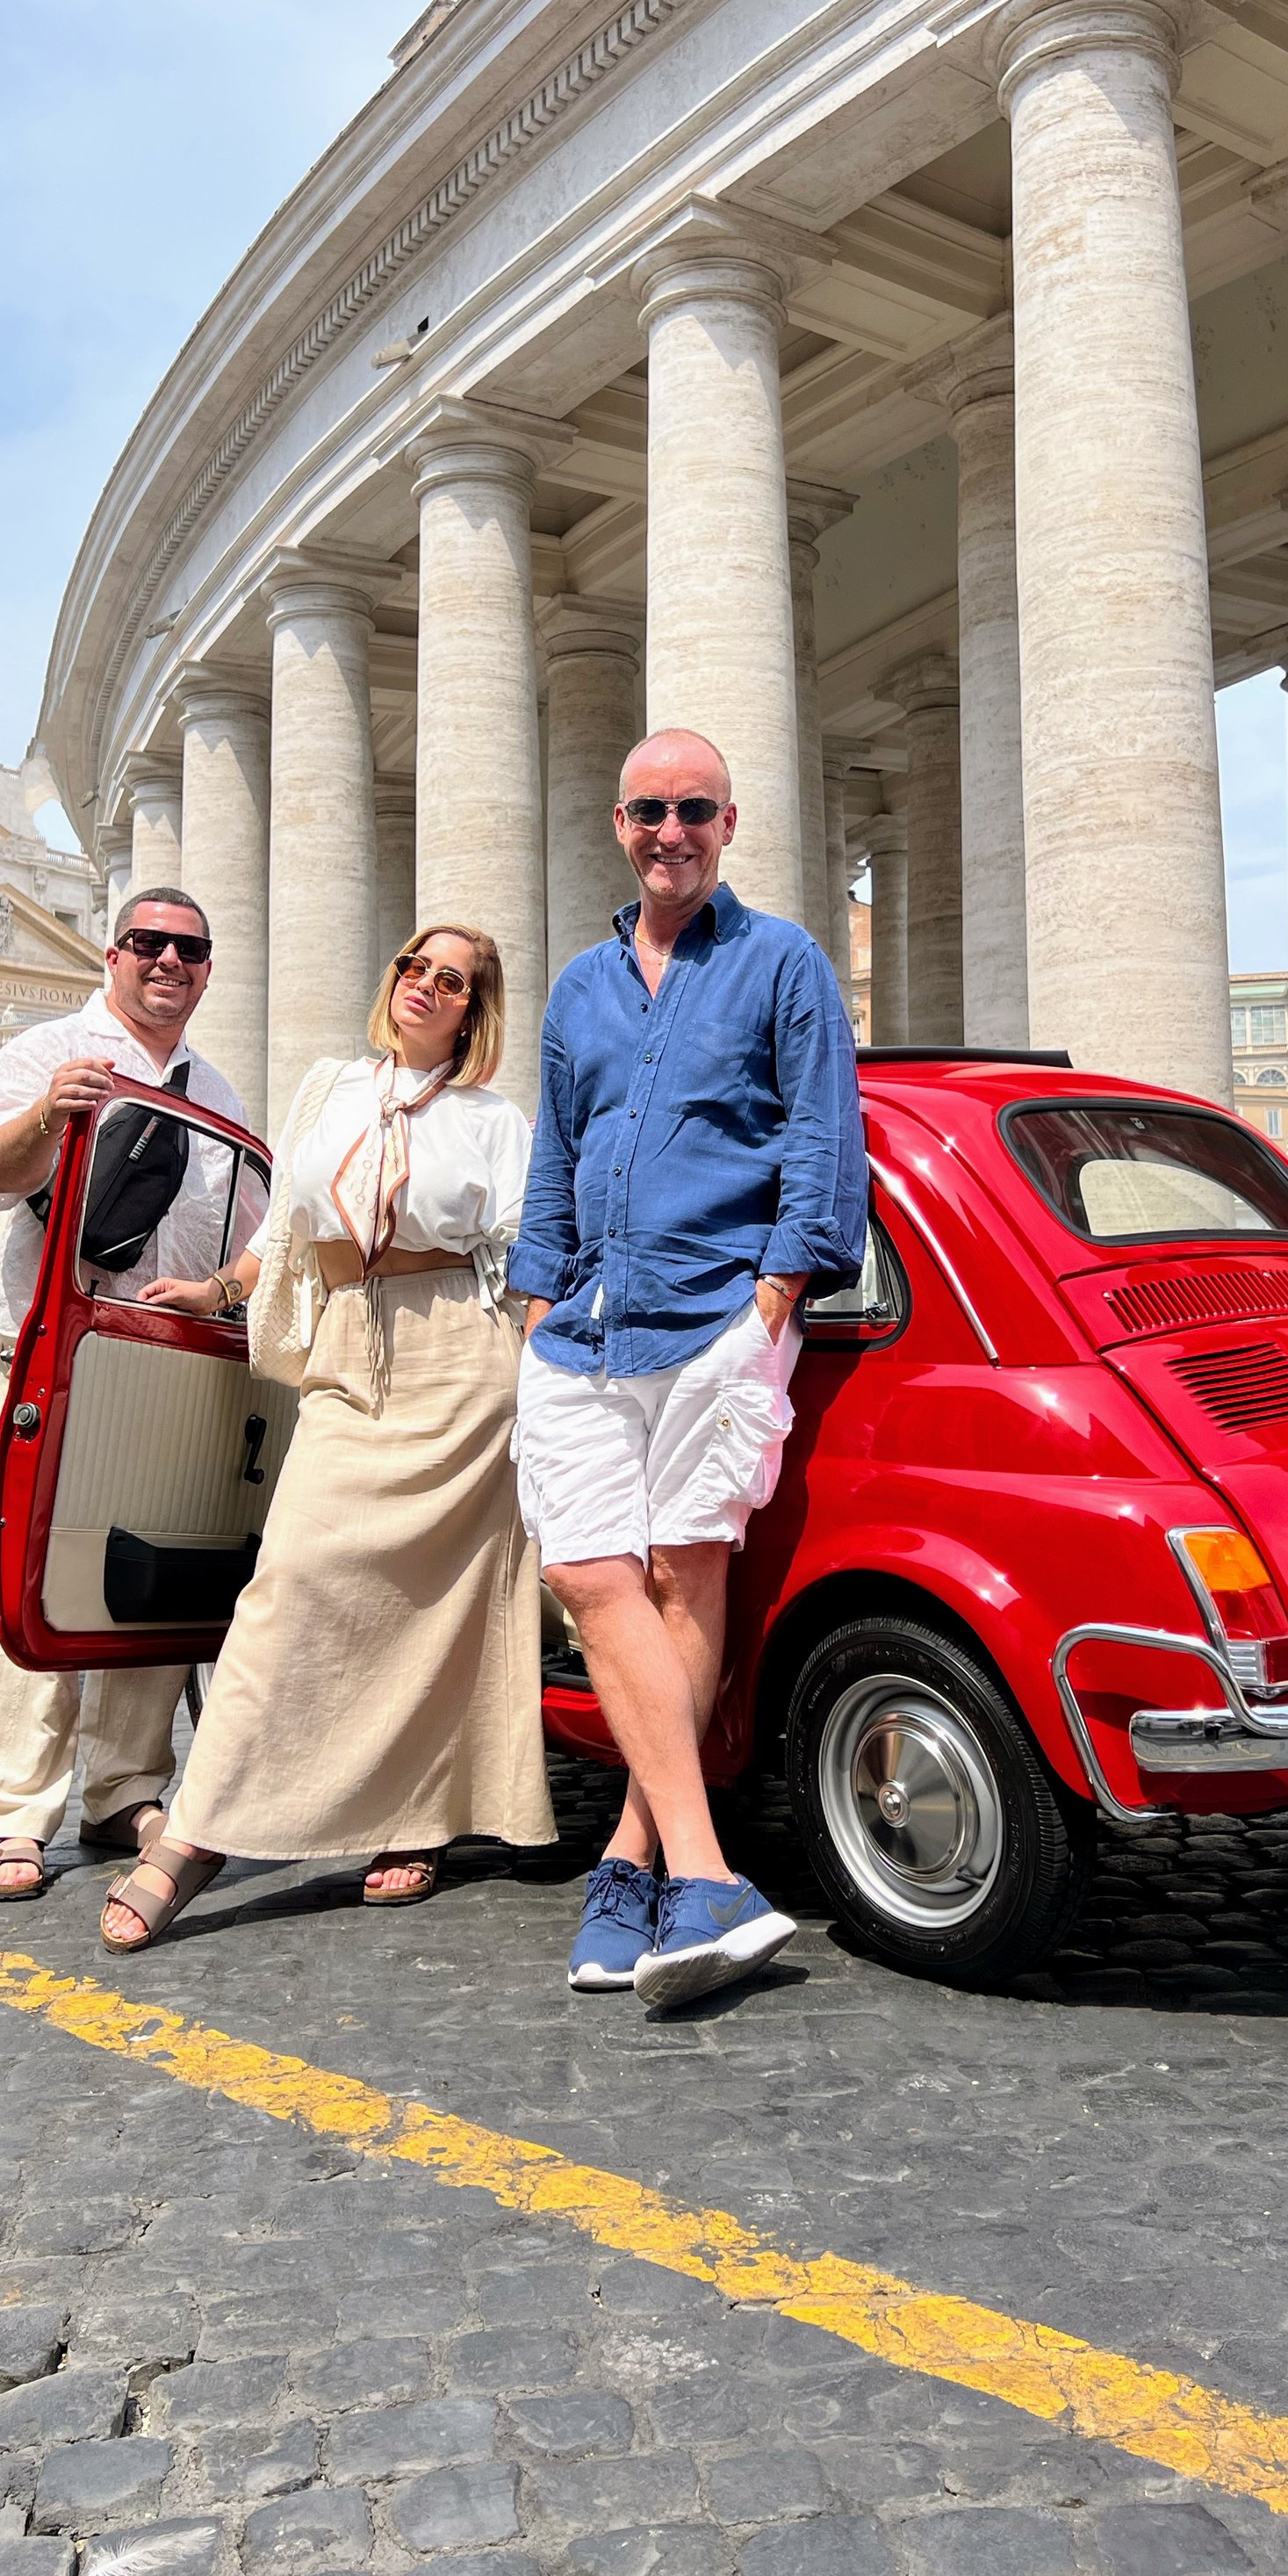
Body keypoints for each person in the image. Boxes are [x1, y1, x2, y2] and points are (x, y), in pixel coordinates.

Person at [97, 922, 555, 1951]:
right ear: (390, 979)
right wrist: (216, 1288)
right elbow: (284, 1233)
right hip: (350, 1357)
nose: (425, 988)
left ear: (474, 1011)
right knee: (289, 1582)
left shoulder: (494, 1119)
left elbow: (530, 1250)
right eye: (412, 968)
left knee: (437, 1612)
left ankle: (420, 1819)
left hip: (464, 1366)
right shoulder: (328, 1090)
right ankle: (198, 1835)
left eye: (452, 980)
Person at [510, 730, 868, 2010]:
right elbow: (556, 1150)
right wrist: (533, 1292)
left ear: (730, 823)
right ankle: (708, 1874)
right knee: (592, 1577)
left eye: (697, 810)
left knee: (682, 1575)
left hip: (718, 1316)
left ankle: (630, 1862)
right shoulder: (575, 989)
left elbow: (825, 1139)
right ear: (621, 822)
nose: (674, 831)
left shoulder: (783, 962)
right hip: (582, 1331)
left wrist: (773, 1298)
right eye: (653, 809)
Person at [0, 887, 259, 1901]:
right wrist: (49, 1114)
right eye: (148, 944)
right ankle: (14, 1812)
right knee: (25, 1573)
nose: (168, 962)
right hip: (53, 1350)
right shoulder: (48, 1052)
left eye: (189, 949)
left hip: (166, 1358)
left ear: (208, 968)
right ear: (113, 954)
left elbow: (257, 1235)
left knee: (143, 1575)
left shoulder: (216, 1089)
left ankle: (125, 1786)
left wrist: (221, 1292)